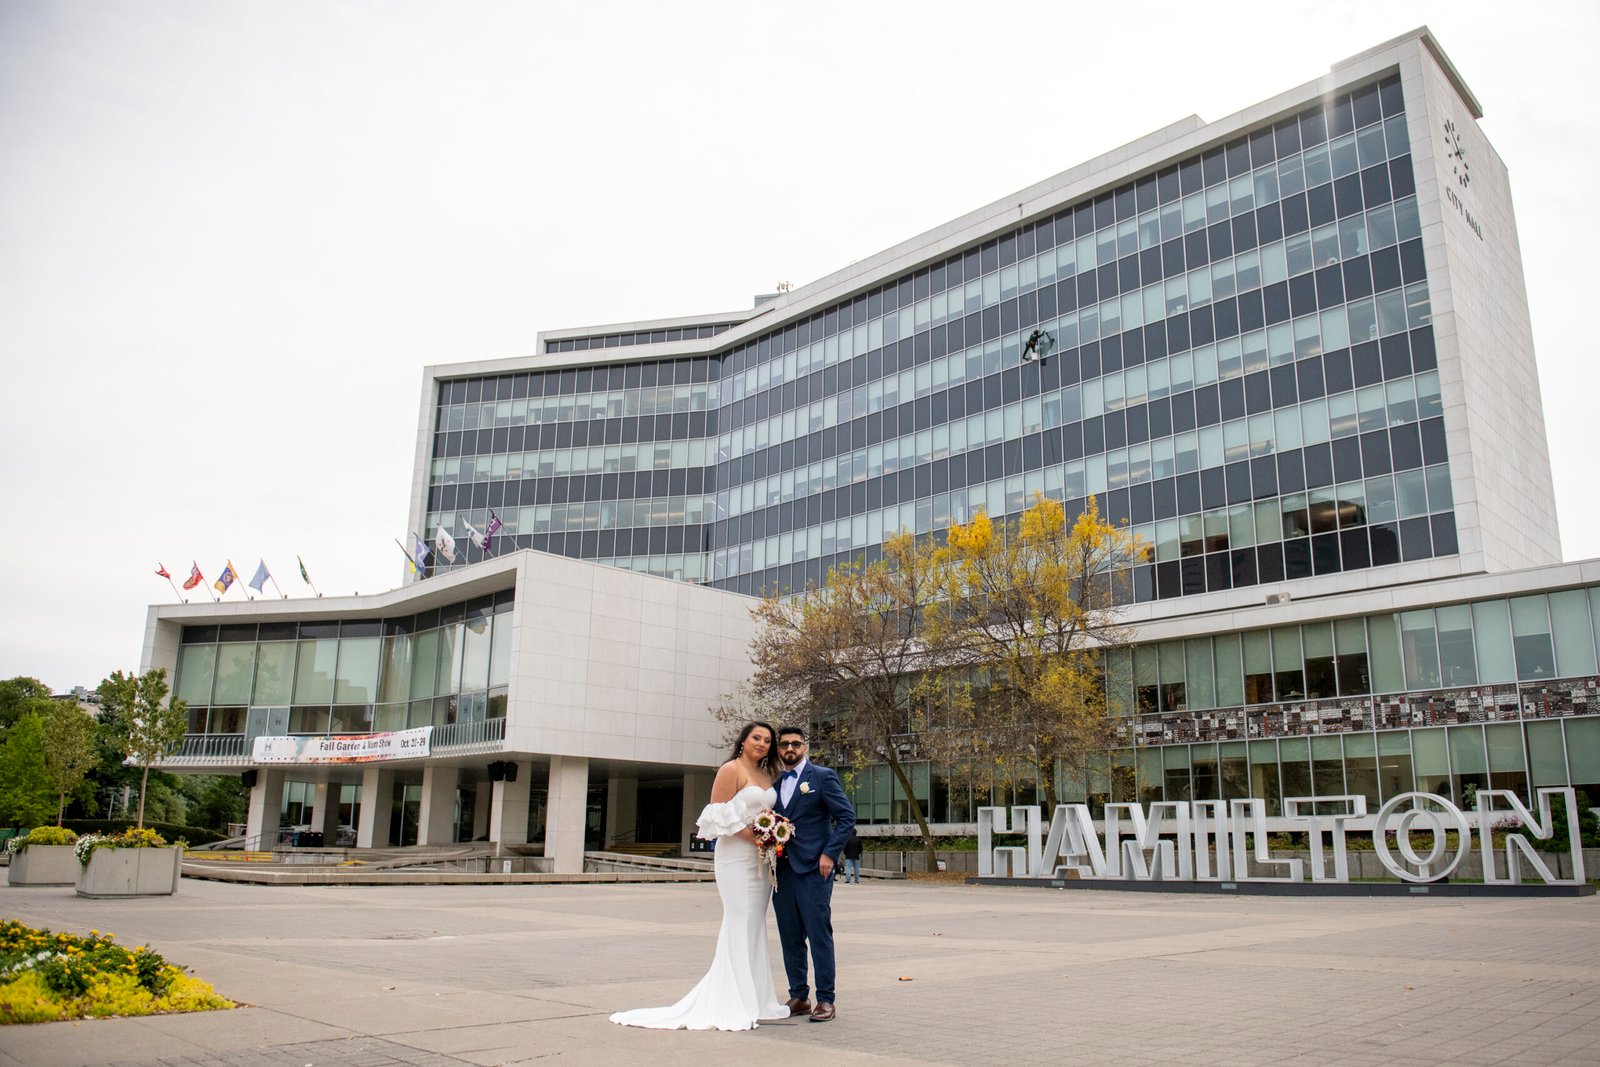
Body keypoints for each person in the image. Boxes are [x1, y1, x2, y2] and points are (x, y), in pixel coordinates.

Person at [609, 722, 790, 1031]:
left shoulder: (766, 775)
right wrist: (759, 837)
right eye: (756, 738)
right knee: (738, 919)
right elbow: (717, 814)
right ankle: (733, 999)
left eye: (767, 740)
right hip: (735, 855)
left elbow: (769, 815)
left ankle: (757, 999)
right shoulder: (730, 770)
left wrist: (772, 835)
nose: (762, 743)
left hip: (760, 860)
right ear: (743, 741)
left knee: (755, 922)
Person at [770, 724, 856, 1022]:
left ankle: (826, 999)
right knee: (789, 935)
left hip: (813, 869)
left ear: (804, 747)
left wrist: (829, 854)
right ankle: (798, 995)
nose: (789, 749)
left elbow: (846, 817)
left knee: (819, 933)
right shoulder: (775, 781)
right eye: (784, 745)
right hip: (782, 871)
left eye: (795, 744)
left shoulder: (821, 776)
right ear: (779, 749)